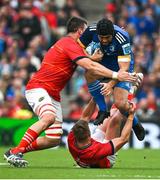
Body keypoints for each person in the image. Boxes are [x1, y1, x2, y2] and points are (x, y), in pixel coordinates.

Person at [3, 16, 137, 168]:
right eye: (85, 31)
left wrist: (99, 53)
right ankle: (17, 152)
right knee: (49, 117)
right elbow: (90, 67)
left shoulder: (72, 47)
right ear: (80, 31)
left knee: (54, 138)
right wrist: (115, 75)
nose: (88, 36)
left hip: (53, 94)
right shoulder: (69, 43)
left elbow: (84, 61)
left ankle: (13, 151)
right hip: (39, 88)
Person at [78, 18, 145, 140]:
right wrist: (91, 57)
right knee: (88, 74)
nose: (103, 40)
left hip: (121, 67)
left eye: (107, 37)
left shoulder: (122, 38)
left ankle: (135, 123)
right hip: (103, 64)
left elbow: (123, 69)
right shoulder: (91, 30)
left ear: (112, 34)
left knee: (120, 104)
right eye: (101, 37)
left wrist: (110, 84)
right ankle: (103, 110)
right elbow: (77, 49)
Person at [68, 97, 136, 168]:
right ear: (89, 136)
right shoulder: (95, 152)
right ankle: (129, 92)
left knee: (111, 115)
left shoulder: (72, 136)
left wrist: (95, 97)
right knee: (115, 119)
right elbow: (124, 139)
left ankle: (124, 94)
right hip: (105, 158)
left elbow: (85, 117)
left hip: (90, 151)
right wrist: (131, 116)